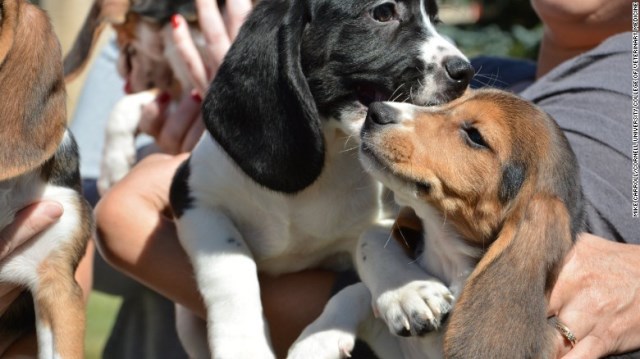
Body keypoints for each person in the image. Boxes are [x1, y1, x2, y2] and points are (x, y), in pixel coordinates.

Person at [3, 0, 638, 358]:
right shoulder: (459, 82)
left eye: (473, 136)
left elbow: (128, 216)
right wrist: (263, 105)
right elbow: (74, 236)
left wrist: (149, 196)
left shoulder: (608, 92)